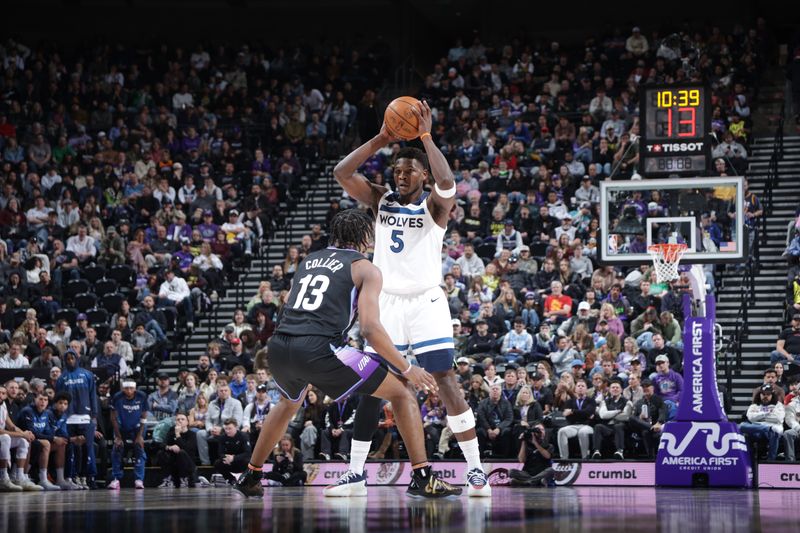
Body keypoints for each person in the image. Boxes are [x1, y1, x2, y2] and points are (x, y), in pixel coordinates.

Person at [233, 210, 459, 499]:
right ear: (365, 236)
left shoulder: (309, 259)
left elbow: (288, 300)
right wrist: (406, 367)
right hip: (319, 348)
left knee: (289, 403)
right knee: (402, 392)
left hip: (280, 346)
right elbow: (369, 329)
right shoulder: (365, 268)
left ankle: (252, 474)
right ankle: (423, 476)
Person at [330, 101, 490, 496]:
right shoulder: (380, 199)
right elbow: (342, 172)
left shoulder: (435, 205)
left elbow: (449, 183)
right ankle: (355, 473)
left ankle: (475, 469)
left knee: (447, 380)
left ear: (423, 175)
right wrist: (382, 138)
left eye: (409, 170)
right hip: (387, 303)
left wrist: (425, 137)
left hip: (425, 302)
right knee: (373, 384)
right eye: (397, 170)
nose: (401, 175)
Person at [55, 349, 99, 488]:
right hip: (69, 418)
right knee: (72, 449)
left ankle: (87, 477)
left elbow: (93, 395)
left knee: (88, 447)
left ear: (76, 358)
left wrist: (94, 415)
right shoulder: (62, 378)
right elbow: (58, 399)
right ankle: (73, 476)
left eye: (72, 358)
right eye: (67, 359)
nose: (70, 361)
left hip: (86, 417)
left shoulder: (87, 375)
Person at [16, 392, 62, 489]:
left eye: (45, 400)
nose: (43, 402)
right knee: (45, 443)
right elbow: (32, 432)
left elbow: (48, 431)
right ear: (34, 400)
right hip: (23, 438)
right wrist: (53, 438)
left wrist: (53, 437)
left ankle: (60, 479)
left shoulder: (46, 413)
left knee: (61, 444)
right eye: (41, 399)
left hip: (37, 439)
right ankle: (31, 477)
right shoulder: (27, 411)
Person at [108, 380, 148, 490]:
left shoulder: (142, 396)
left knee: (139, 448)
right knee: (117, 448)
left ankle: (139, 479)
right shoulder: (117, 397)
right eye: (126, 389)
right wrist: (118, 436)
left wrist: (140, 435)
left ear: (135, 389)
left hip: (137, 427)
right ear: (123, 389)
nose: (129, 391)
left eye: (131, 388)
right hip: (121, 427)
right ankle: (116, 479)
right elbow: (113, 418)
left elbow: (144, 417)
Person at [0, 384, 40, 491]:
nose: (0, 395)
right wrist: (22, 434)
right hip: (2, 436)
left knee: (23, 441)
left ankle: (19, 476)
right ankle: (3, 478)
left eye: (3, 393)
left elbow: (11, 426)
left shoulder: (3, 405)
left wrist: (25, 434)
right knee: (5, 438)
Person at [741, 384, 784, 461]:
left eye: (768, 394)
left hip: (772, 430)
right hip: (759, 429)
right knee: (742, 426)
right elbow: (750, 418)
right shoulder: (754, 406)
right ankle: (748, 459)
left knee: (774, 431)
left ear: (772, 395)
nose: (765, 396)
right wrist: (767, 413)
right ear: (759, 394)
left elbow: (778, 418)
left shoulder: (778, 405)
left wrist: (758, 415)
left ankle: (771, 460)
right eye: (763, 394)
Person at [626, 379, 667, 458]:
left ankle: (651, 457)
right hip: (642, 427)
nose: (645, 388)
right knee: (631, 418)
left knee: (646, 432)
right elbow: (634, 418)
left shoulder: (658, 400)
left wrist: (659, 423)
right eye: (643, 387)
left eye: (647, 386)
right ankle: (650, 428)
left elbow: (663, 411)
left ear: (652, 388)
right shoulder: (639, 402)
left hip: (655, 426)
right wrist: (639, 417)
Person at [557, 378, 596, 459]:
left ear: (586, 389)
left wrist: (572, 411)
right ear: (575, 389)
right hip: (573, 425)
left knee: (582, 432)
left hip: (587, 425)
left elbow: (588, 412)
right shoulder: (569, 402)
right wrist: (583, 413)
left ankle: (585, 457)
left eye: (583, 386)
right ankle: (564, 458)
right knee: (562, 431)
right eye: (578, 386)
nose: (580, 387)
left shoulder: (591, 401)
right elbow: (567, 416)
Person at [157, 412, 198, 488]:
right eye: (178, 419)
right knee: (161, 453)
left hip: (188, 464)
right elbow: (162, 444)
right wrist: (169, 447)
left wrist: (178, 435)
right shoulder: (171, 432)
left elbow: (187, 449)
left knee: (181, 452)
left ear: (187, 422)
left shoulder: (192, 434)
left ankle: (184, 479)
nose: (180, 421)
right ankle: (168, 479)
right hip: (174, 462)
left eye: (182, 419)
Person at [591, 380, 630, 459]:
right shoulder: (605, 402)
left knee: (619, 426)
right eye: (613, 387)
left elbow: (626, 416)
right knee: (598, 426)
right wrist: (618, 411)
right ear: (609, 390)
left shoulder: (627, 402)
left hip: (622, 427)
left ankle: (620, 451)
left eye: (617, 387)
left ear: (621, 390)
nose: (615, 389)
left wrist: (609, 414)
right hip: (609, 427)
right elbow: (602, 415)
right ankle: (596, 451)